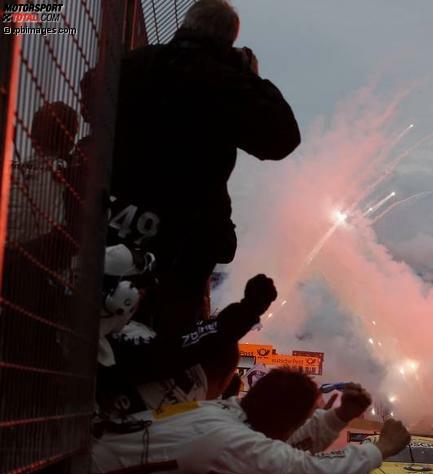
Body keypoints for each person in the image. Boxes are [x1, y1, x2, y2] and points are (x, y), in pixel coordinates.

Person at [110, 0, 300, 336]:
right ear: (229, 40)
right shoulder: (225, 83)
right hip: (186, 236)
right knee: (167, 336)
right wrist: (249, 76)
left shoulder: (135, 64)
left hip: (118, 217)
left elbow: (90, 89)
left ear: (187, 23)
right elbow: (282, 139)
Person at [91, 369, 410, 474]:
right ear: (288, 422)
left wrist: (337, 418)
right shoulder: (227, 441)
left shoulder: (221, 413)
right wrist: (378, 449)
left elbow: (281, 446)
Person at [96, 272, 278, 424]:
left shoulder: (146, 347)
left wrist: (246, 311)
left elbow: (188, 346)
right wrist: (246, 312)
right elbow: (185, 347)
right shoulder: (194, 426)